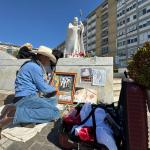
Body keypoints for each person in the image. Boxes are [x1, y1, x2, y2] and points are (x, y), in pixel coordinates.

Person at [0, 46, 60, 138]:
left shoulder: (30, 64)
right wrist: (56, 90)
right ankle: (15, 114)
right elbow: (43, 88)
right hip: (26, 98)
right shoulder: (34, 67)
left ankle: (19, 112)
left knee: (53, 101)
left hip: (24, 97)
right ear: (42, 56)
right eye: (48, 58)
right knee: (55, 112)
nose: (48, 61)